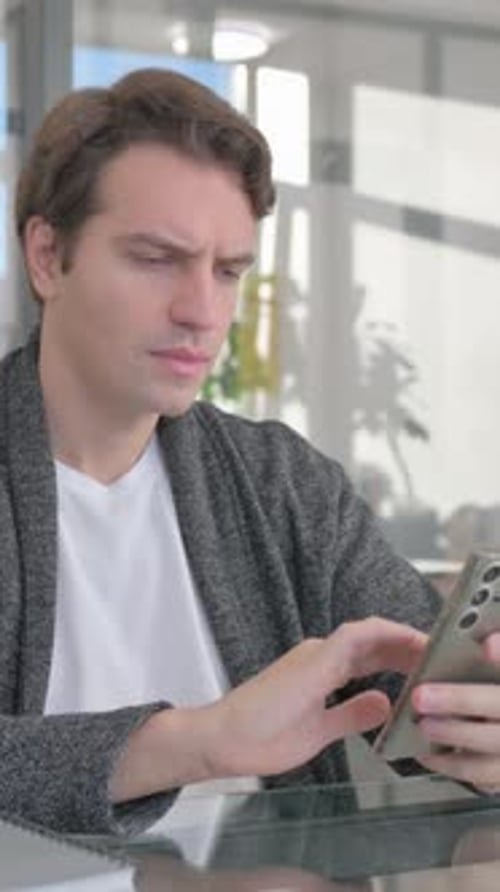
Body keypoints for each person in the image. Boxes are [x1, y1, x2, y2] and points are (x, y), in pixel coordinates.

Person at [1, 67, 500, 838]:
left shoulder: (282, 485)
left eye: (228, 271)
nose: (202, 311)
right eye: (155, 258)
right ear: (46, 257)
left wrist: (474, 725)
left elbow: (423, 703)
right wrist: (194, 744)